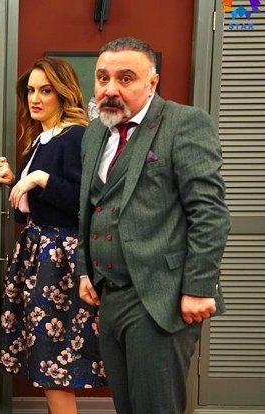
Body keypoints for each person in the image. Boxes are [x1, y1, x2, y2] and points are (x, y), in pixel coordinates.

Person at [76, 37, 230, 414]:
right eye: (103, 78)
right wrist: (84, 271)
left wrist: (198, 287)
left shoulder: (184, 123)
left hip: (161, 297)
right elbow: (90, 207)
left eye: (125, 78)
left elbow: (209, 213)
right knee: (126, 405)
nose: (110, 89)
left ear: (152, 83)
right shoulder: (95, 132)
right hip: (110, 295)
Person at [0, 57, 106, 414]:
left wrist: (40, 179)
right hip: (38, 255)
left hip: (60, 260)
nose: (35, 98)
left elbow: (86, 201)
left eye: (45, 90)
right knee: (46, 361)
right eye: (30, 90)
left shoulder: (76, 136)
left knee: (55, 363)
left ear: (63, 93)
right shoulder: (40, 140)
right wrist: (16, 181)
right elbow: (40, 205)